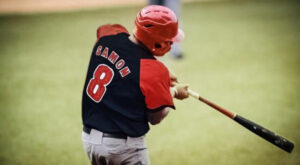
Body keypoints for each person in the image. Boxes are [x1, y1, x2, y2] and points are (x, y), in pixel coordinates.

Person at [81, 5, 189, 165]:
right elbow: (156, 117)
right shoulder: (153, 70)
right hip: (122, 149)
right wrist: (173, 92)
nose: (171, 44)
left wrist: (161, 78)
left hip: (90, 141)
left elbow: (126, 66)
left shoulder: (108, 35)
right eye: (169, 41)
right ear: (158, 42)